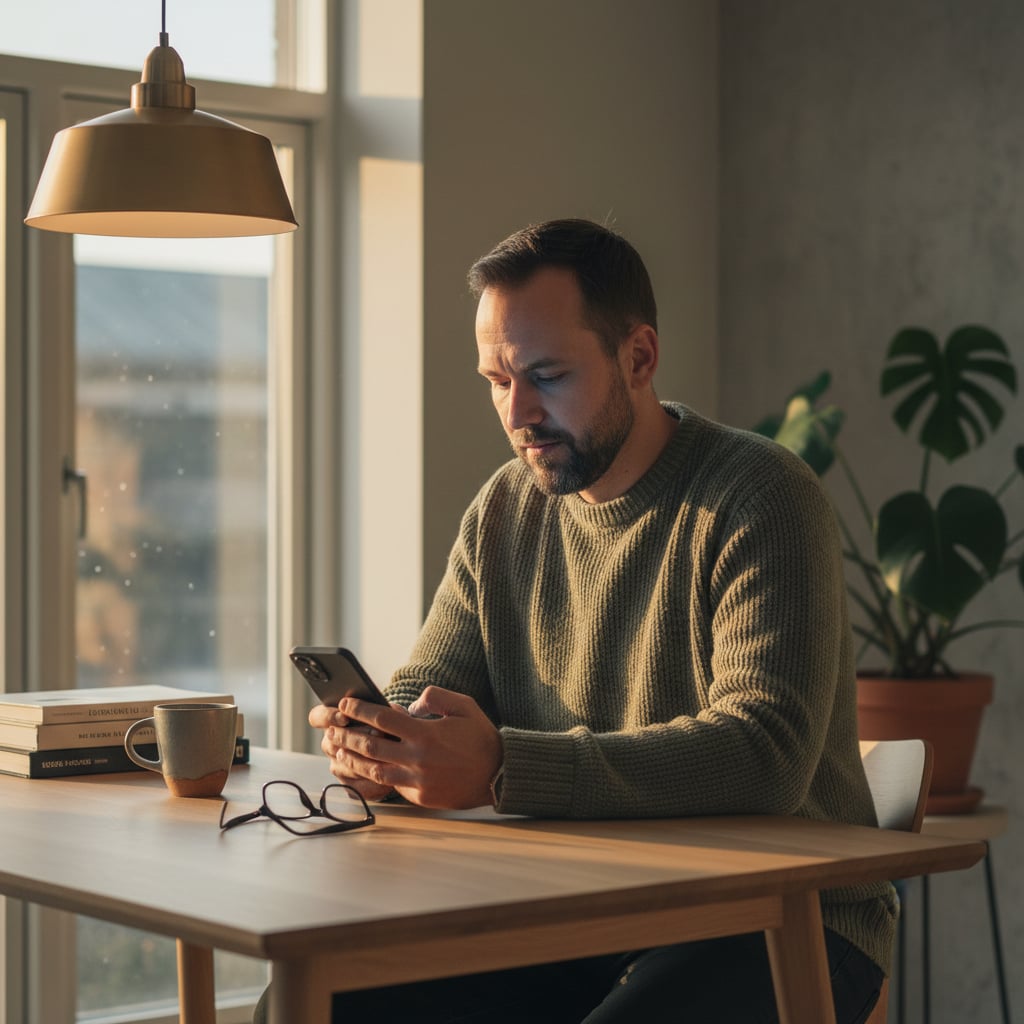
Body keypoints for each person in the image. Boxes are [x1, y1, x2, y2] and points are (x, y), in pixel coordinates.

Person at [263, 219, 892, 1023]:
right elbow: (434, 684)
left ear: (638, 358)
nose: (518, 411)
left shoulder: (759, 497)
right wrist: (389, 743)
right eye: (496, 379)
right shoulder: (506, 510)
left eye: (546, 375)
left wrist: (500, 768)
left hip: (780, 918)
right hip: (568, 910)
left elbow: (764, 756)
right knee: (314, 1003)